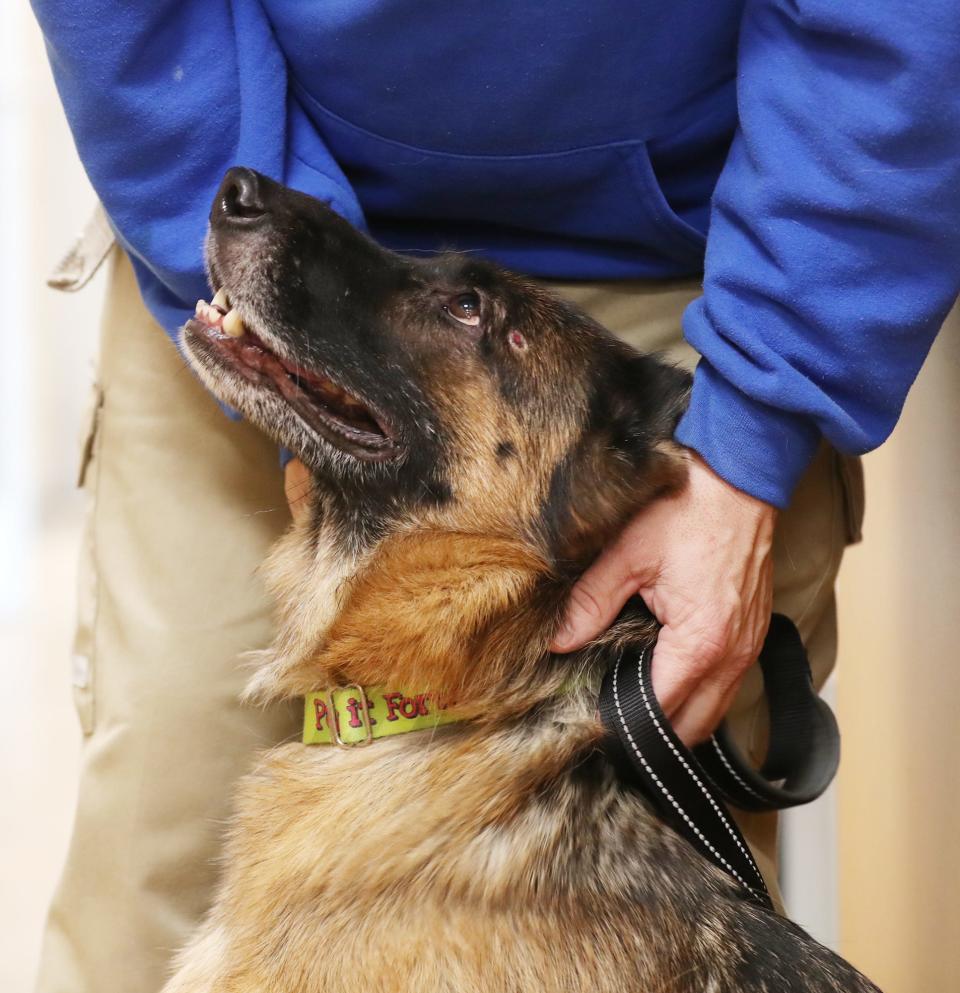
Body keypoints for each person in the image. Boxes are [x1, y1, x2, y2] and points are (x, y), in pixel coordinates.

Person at [30, 3, 960, 992]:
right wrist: (287, 303)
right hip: (240, 142)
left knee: (654, 935)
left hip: (707, 265)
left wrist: (755, 426)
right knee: (157, 868)